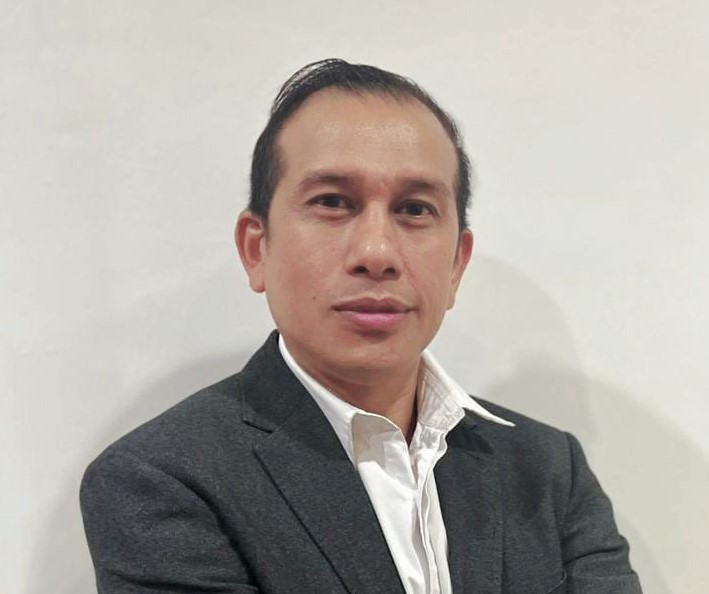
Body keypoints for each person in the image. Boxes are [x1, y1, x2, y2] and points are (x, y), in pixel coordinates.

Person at [80, 59, 643, 594]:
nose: (376, 252)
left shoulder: (549, 469)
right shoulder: (162, 479)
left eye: (415, 209)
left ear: (456, 265)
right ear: (256, 250)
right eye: (332, 201)